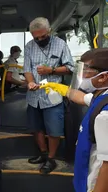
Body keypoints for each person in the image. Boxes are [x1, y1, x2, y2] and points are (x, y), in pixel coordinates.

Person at [40, 48, 108, 192]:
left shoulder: (104, 116)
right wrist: (62, 89)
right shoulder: (101, 98)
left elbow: (107, 166)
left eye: (86, 72)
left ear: (103, 77)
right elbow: (82, 98)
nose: (82, 76)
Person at [23, 17, 75, 174]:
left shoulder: (60, 45)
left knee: (54, 130)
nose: (39, 40)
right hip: (34, 97)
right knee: (36, 128)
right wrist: (30, 82)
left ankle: (51, 159)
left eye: (43, 37)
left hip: (53, 97)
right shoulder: (29, 47)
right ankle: (43, 154)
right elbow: (27, 70)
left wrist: (51, 70)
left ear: (49, 31)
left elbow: (70, 67)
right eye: (36, 38)